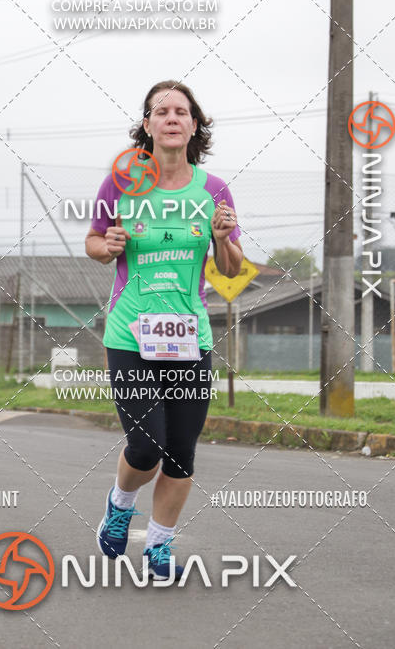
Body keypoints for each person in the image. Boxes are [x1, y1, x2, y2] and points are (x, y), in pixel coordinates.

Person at [85, 80, 243, 581]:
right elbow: (93, 240)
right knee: (146, 447)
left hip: (189, 336)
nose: (172, 117)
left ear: (194, 125)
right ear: (148, 124)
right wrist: (107, 245)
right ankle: (120, 502)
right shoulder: (122, 182)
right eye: (162, 111)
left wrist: (223, 240)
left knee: (181, 451)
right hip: (131, 334)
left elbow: (232, 267)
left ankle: (159, 544)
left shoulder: (213, 190)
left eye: (182, 111)